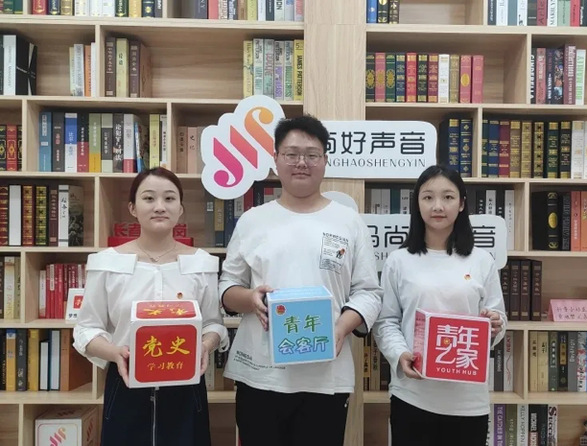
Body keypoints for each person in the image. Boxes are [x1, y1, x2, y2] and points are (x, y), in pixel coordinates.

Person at [219, 114, 382, 446]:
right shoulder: (253, 220)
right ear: (275, 159)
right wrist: (250, 299)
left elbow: (368, 292)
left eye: (312, 154)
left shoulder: (348, 222)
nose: (301, 163)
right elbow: (226, 287)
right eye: (291, 154)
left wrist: (340, 328)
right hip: (261, 373)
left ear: (325, 160)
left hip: (325, 374)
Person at [73, 167, 229, 446]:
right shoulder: (107, 262)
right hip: (126, 383)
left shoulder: (201, 262)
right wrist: (115, 353)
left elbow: (213, 324)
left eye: (169, 198)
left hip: (186, 386)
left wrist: (205, 346)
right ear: (132, 208)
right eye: (148, 198)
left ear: (180, 209)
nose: (159, 206)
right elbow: (86, 329)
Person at [372, 164, 507, 446]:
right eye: (428, 197)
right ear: (417, 203)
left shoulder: (482, 260)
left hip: (467, 401)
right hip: (413, 395)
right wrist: (400, 354)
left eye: (448, 197)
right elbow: (386, 321)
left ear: (462, 204)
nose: (438, 206)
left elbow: (498, 318)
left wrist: (494, 324)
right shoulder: (399, 261)